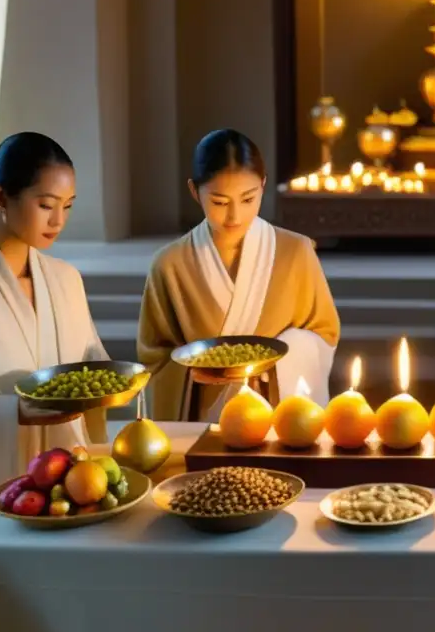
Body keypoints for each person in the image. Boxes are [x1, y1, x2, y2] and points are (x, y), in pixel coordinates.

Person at [137, 129, 340, 421]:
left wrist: (278, 362)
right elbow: (154, 357)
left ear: (263, 185)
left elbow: (324, 334)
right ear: (195, 191)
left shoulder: (297, 251)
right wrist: (192, 374)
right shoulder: (169, 264)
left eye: (248, 199)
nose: (234, 216)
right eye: (220, 202)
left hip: (278, 417)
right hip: (203, 420)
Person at [0, 133, 108, 518]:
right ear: (0, 199)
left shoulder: (66, 279)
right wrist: (15, 411)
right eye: (46, 204)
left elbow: (92, 364)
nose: (58, 220)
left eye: (68, 206)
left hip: (75, 481)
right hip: (0, 487)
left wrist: (114, 385)